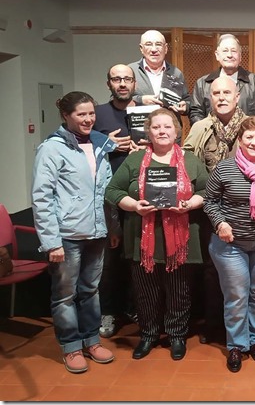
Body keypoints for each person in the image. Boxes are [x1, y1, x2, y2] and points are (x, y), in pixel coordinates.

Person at [105, 108, 209, 361]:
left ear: (177, 131)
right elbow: (112, 191)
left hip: (181, 239)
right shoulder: (134, 160)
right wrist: (134, 205)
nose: (162, 131)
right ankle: (149, 334)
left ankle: (176, 335)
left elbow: (208, 191)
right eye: (156, 127)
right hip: (143, 239)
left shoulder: (191, 160)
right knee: (145, 290)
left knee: (179, 291)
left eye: (167, 127)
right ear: (148, 131)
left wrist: (189, 204)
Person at [183, 76, 255, 345]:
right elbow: (188, 164)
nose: (222, 97)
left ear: (238, 96)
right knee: (226, 286)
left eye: (227, 92)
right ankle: (229, 338)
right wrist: (219, 221)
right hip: (219, 222)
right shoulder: (201, 128)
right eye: (216, 93)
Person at [32, 91, 117, 374]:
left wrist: (111, 227)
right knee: (65, 294)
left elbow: (106, 192)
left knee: (90, 290)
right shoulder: (52, 148)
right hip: (66, 235)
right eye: (81, 114)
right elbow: (42, 197)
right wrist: (51, 242)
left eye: (91, 113)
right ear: (66, 116)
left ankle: (92, 340)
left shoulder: (100, 144)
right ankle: (71, 347)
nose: (88, 119)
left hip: (96, 232)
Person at [203, 116, 255, 373]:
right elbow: (209, 201)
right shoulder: (224, 169)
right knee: (237, 295)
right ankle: (237, 345)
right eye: (249, 137)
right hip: (230, 244)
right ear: (240, 140)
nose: (254, 142)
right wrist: (220, 224)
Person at [94, 64, 144, 338]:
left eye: (127, 78)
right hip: (110, 198)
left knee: (137, 257)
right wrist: (105, 143)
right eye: (117, 79)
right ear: (109, 83)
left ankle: (134, 307)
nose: (122, 83)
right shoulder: (98, 113)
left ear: (135, 83)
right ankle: (108, 311)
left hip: (143, 197)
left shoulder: (146, 112)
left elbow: (169, 137)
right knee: (110, 260)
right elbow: (80, 145)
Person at [189, 34, 255, 131]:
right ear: (217, 55)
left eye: (234, 51)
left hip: (246, 141)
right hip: (212, 142)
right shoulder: (203, 83)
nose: (229, 55)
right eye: (225, 51)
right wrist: (209, 134)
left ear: (240, 56)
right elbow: (196, 114)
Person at [129, 30, 190, 139]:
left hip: (169, 137)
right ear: (141, 48)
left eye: (158, 44)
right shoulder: (130, 71)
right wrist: (141, 100)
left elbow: (187, 99)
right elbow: (116, 101)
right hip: (140, 137)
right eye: (148, 44)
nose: (153, 49)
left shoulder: (176, 73)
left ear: (165, 48)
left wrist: (185, 106)